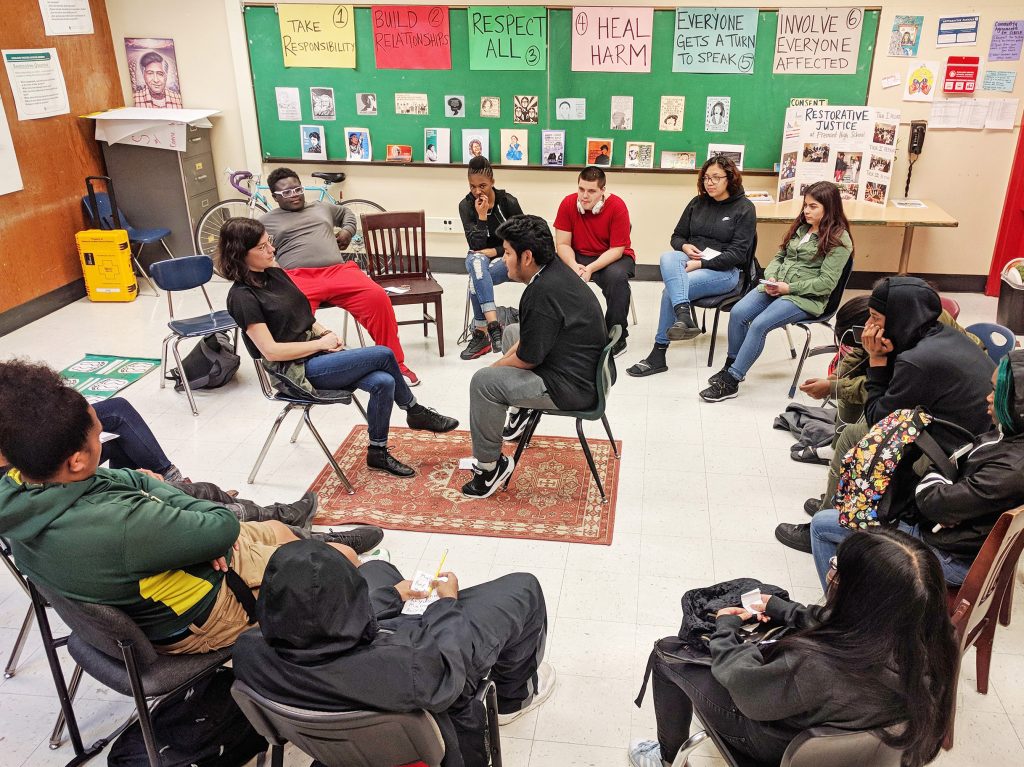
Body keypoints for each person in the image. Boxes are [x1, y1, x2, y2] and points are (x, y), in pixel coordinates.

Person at [0, 359, 384, 655]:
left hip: (155, 585)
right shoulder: (120, 523)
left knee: (282, 534)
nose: (103, 440)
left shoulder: (19, 487)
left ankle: (311, 541)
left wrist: (151, 490)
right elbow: (219, 525)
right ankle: (362, 639)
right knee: (346, 560)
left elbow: (127, 481)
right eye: (98, 435)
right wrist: (160, 491)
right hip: (202, 616)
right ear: (77, 462)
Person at [629, 529, 957, 767]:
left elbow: (745, 688)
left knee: (666, 654)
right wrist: (781, 609)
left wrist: (726, 630)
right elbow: (845, 626)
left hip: (773, 744)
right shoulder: (939, 645)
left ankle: (664, 759)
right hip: (855, 745)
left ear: (859, 598)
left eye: (837, 570)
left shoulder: (816, 667)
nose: (831, 573)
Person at [234, 540, 555, 767]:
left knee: (376, 568)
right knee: (523, 587)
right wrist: (446, 604)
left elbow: (317, 624)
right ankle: (514, 700)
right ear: (350, 607)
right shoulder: (409, 663)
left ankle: (381, 582)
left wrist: (390, 596)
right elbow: (449, 660)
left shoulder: (248, 653)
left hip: (336, 722)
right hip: (422, 716)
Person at [218, 217, 458, 478]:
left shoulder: (273, 272)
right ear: (240, 253)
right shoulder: (242, 297)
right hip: (293, 371)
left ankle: (377, 452)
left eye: (270, 243)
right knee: (384, 353)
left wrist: (324, 332)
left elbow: (303, 314)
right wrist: (319, 343)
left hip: (314, 353)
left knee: (384, 382)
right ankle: (414, 410)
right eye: (263, 247)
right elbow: (271, 352)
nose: (272, 250)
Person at [807, 353, 1024, 589]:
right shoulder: (1008, 436)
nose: (988, 398)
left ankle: (841, 620)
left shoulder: (1011, 468)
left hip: (950, 555)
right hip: (958, 538)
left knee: (822, 526)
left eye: (996, 392)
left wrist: (944, 498)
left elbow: (934, 501)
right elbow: (949, 472)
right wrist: (947, 499)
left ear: (1017, 402)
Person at [464, 215, 606, 499]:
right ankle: (522, 409)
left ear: (526, 256)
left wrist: (494, 370)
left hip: (571, 387)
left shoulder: (540, 293)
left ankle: (490, 467)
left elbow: (527, 359)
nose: (503, 260)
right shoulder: (554, 271)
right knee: (511, 334)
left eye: (506, 253)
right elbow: (528, 340)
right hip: (584, 369)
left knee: (483, 383)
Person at [259, 167, 420, 386]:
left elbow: (346, 214)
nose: (295, 194)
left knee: (377, 298)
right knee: (291, 316)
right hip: (298, 277)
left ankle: (395, 364)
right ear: (274, 196)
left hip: (338, 271)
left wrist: (347, 231)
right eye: (287, 192)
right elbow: (254, 248)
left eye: (298, 189)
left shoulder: (321, 207)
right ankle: (308, 371)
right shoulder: (267, 220)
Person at [699, 181, 852, 402]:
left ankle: (732, 380)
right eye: (805, 205)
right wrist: (771, 277)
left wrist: (788, 288)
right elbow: (780, 256)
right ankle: (732, 364)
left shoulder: (840, 240)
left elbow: (826, 283)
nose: (806, 210)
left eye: (813, 206)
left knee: (760, 324)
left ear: (830, 207)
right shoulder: (802, 229)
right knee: (738, 312)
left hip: (804, 297)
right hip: (777, 286)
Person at [627, 155, 755, 378]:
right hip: (691, 260)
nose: (710, 182)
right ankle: (683, 314)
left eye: (716, 177)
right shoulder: (697, 203)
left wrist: (701, 263)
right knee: (668, 257)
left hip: (724, 272)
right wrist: (685, 247)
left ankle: (659, 353)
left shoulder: (744, 208)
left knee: (671, 290)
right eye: (706, 177)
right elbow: (677, 236)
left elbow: (737, 254)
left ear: (730, 179)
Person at [553, 166, 635, 356]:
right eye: (581, 189)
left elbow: (617, 249)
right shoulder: (568, 204)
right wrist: (574, 266)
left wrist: (590, 268)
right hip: (578, 255)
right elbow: (563, 244)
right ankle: (563, 328)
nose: (584, 196)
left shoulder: (617, 206)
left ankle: (617, 335)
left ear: (602, 191)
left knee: (617, 278)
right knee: (553, 271)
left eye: (591, 191)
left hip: (612, 256)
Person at [459, 156, 525, 360]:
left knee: (475, 280)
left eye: (482, 186)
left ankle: (483, 333)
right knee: (476, 264)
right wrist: (481, 217)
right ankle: (493, 327)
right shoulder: (466, 206)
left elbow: (521, 237)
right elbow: (476, 246)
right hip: (480, 258)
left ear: (493, 183)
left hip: (507, 257)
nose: (477, 191)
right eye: (472, 186)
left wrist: (496, 252)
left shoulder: (508, 202)